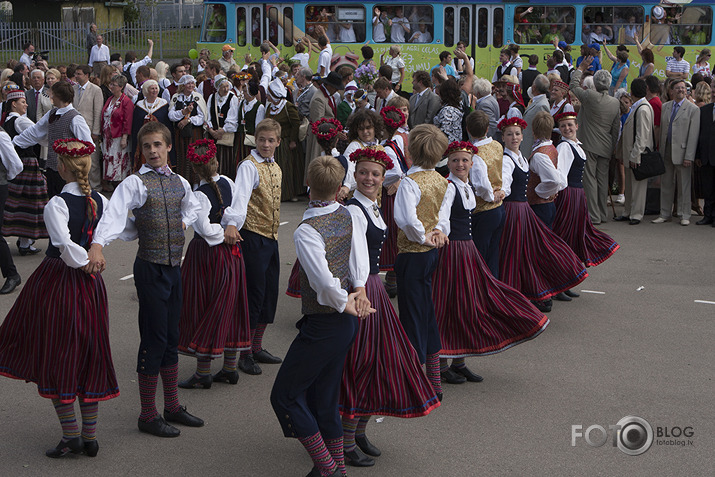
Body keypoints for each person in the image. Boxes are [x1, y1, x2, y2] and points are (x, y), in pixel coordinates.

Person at [0, 138, 118, 457]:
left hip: (60, 283)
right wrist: (94, 258)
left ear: (62, 168)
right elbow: (105, 236)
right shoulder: (101, 201)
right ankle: (89, 437)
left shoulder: (57, 203)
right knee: (88, 354)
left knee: (58, 357)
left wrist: (86, 260)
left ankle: (72, 436)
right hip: (92, 285)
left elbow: (64, 247)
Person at [89, 121, 205, 438]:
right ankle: (147, 414)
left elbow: (193, 207)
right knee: (154, 339)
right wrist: (98, 244)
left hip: (173, 268)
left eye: (158, 145)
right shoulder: (135, 184)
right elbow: (114, 215)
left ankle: (171, 406)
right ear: (141, 150)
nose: (153, 151)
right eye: (147, 146)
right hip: (150, 268)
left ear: (169, 147)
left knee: (171, 335)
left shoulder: (181, 181)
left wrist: (184, 220)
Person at [271, 155, 372, 477]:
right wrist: (359, 290)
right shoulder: (348, 212)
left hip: (327, 322)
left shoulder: (307, 230)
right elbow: (359, 257)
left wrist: (346, 302)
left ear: (308, 185)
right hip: (342, 322)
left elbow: (323, 282)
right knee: (324, 397)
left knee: (285, 397)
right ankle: (336, 467)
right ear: (339, 187)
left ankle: (328, 468)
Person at [340, 146, 439, 466]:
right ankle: (344, 440)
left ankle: (358, 431)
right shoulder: (355, 209)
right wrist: (359, 292)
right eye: (364, 172)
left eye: (375, 174)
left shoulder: (373, 206)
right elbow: (353, 257)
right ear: (354, 175)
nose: (369, 178)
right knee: (361, 363)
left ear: (384, 179)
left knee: (376, 362)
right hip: (362, 289)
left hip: (373, 286)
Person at [433, 140, 549, 385]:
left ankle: (460, 362)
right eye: (455, 160)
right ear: (449, 164)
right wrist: (439, 231)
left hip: (468, 250)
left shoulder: (466, 186)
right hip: (453, 252)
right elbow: (442, 216)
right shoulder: (449, 187)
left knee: (470, 304)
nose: (460, 164)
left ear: (472, 163)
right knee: (451, 305)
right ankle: (442, 364)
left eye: (464, 160)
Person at [178, 139, 250, 389]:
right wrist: (231, 230)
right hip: (232, 253)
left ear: (195, 169)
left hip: (208, 257)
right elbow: (240, 212)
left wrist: (224, 232)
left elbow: (206, 231)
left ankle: (203, 372)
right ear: (216, 161)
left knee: (206, 308)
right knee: (230, 306)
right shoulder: (229, 182)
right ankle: (229, 367)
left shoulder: (198, 194)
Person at [497, 116, 587, 313]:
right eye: (510, 134)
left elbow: (556, 179)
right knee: (518, 254)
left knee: (532, 250)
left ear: (525, 136)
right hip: (515, 210)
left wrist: (541, 192)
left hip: (526, 209)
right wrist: (503, 191)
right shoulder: (509, 159)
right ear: (503, 137)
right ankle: (521, 295)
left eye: (517, 134)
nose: (514, 137)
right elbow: (505, 181)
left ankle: (544, 290)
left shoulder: (523, 156)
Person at [222, 119, 284, 376]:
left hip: (271, 237)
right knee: (254, 294)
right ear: (254, 140)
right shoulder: (249, 166)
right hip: (253, 236)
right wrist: (232, 224)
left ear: (278, 142)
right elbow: (241, 197)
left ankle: (256, 345)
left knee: (270, 292)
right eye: (262, 140)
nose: (266, 144)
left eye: (271, 140)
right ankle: (244, 352)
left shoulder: (276, 167)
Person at [394, 123, 450, 399]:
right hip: (430, 254)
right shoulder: (441, 180)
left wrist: (423, 236)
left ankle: (414, 384)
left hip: (413, 255)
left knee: (413, 316)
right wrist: (438, 232)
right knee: (426, 312)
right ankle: (435, 380)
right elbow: (443, 214)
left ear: (411, 151)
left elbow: (405, 219)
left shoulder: (409, 183)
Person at [553, 110, 620, 268]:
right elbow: (561, 175)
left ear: (577, 126)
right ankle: (564, 275)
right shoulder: (564, 147)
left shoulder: (575, 146)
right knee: (566, 235)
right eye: (563, 126)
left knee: (576, 233)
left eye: (570, 125)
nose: (567, 128)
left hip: (577, 194)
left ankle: (571, 273)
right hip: (569, 194)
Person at [12, 81, 92, 198]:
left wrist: (74, 159)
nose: (51, 97)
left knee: (68, 200)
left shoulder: (75, 118)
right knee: (53, 199)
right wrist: (13, 143)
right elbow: (34, 132)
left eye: (52, 94)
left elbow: (89, 146)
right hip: (52, 168)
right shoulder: (52, 113)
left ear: (58, 96)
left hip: (69, 172)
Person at [569, 57, 621, 225]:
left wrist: (581, 68)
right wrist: (613, 146)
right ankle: (602, 214)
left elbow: (573, 86)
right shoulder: (615, 102)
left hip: (589, 144)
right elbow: (615, 127)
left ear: (596, 83)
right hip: (606, 145)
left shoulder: (590, 96)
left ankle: (594, 215)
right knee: (602, 180)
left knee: (590, 179)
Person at [1, 86, 48, 255]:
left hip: (13, 165)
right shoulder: (21, 121)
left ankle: (24, 241)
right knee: (31, 203)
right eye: (22, 102)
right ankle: (25, 242)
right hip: (26, 164)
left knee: (17, 202)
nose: (26, 105)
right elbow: (41, 135)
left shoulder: (5, 121)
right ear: (13, 104)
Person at [652, 80, 700, 226]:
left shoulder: (693, 109)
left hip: (683, 152)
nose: (680, 90)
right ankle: (664, 213)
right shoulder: (665, 107)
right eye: (677, 88)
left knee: (684, 185)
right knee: (666, 184)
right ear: (671, 91)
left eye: (683, 88)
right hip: (666, 150)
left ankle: (684, 214)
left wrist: (689, 156)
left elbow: (693, 135)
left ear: (687, 91)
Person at [465, 111, 505, 278]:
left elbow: (481, 184)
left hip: (484, 210)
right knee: (493, 253)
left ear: (468, 129)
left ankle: (483, 291)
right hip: (499, 208)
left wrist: (490, 196)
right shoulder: (496, 145)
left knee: (481, 254)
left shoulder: (476, 153)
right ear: (488, 128)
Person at [614, 78, 654, 225]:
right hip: (631, 153)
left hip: (637, 154)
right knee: (631, 186)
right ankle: (628, 211)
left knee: (638, 187)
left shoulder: (642, 108)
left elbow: (642, 136)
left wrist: (636, 155)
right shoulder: (638, 106)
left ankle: (636, 214)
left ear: (632, 91)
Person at [264, 78, 302, 201]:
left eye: (269, 95)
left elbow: (295, 124)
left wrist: (292, 140)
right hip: (272, 143)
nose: (267, 97)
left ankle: (288, 194)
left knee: (286, 168)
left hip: (285, 142)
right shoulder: (270, 107)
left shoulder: (287, 107)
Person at [168, 74, 207, 183]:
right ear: (183, 85)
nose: (191, 85)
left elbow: (202, 117)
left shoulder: (197, 97)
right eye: (188, 83)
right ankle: (183, 181)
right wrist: (183, 112)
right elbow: (171, 115)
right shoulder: (176, 97)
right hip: (180, 133)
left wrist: (188, 120)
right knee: (182, 156)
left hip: (194, 132)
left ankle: (196, 182)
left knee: (194, 156)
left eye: (192, 83)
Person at [72, 65, 104, 191]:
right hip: (75, 129)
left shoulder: (96, 90)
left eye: (79, 74)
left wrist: (96, 131)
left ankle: (95, 186)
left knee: (93, 161)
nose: (76, 76)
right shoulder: (73, 89)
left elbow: (98, 112)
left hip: (90, 129)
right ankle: (81, 184)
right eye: (76, 73)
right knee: (78, 159)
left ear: (86, 75)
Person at [131, 79, 173, 171]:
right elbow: (136, 125)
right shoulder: (139, 105)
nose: (154, 90)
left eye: (156, 88)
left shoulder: (163, 103)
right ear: (146, 90)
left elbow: (166, 122)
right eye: (152, 89)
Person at [100, 74, 134, 188]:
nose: (111, 87)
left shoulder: (126, 101)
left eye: (113, 85)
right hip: (107, 137)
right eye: (110, 84)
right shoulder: (110, 99)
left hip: (118, 136)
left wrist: (124, 137)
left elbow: (127, 120)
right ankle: (112, 183)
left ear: (120, 87)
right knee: (109, 160)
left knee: (118, 162)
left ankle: (120, 185)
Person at [306, 72, 344, 173]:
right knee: (319, 164)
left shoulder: (326, 95)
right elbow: (318, 122)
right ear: (329, 85)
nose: (336, 90)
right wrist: (336, 132)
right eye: (335, 87)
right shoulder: (318, 98)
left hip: (327, 135)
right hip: (320, 137)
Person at [206, 76, 239, 178]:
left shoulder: (232, 98)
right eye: (223, 87)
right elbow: (207, 115)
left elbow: (233, 118)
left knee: (225, 161)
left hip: (225, 136)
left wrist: (222, 130)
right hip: (213, 135)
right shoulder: (212, 97)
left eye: (227, 86)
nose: (226, 89)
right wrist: (211, 131)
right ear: (218, 87)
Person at [696, 81, 715, 226]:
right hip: (706, 157)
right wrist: (697, 155)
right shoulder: (705, 110)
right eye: (713, 87)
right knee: (707, 188)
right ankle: (708, 215)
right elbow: (699, 134)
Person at [520, 74, 550, 156]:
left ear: (534, 87)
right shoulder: (536, 101)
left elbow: (542, 132)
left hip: (531, 147)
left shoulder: (541, 105)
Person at [433, 79, 464, 143]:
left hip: (447, 146)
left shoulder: (447, 111)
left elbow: (445, 132)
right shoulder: (460, 105)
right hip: (458, 143)